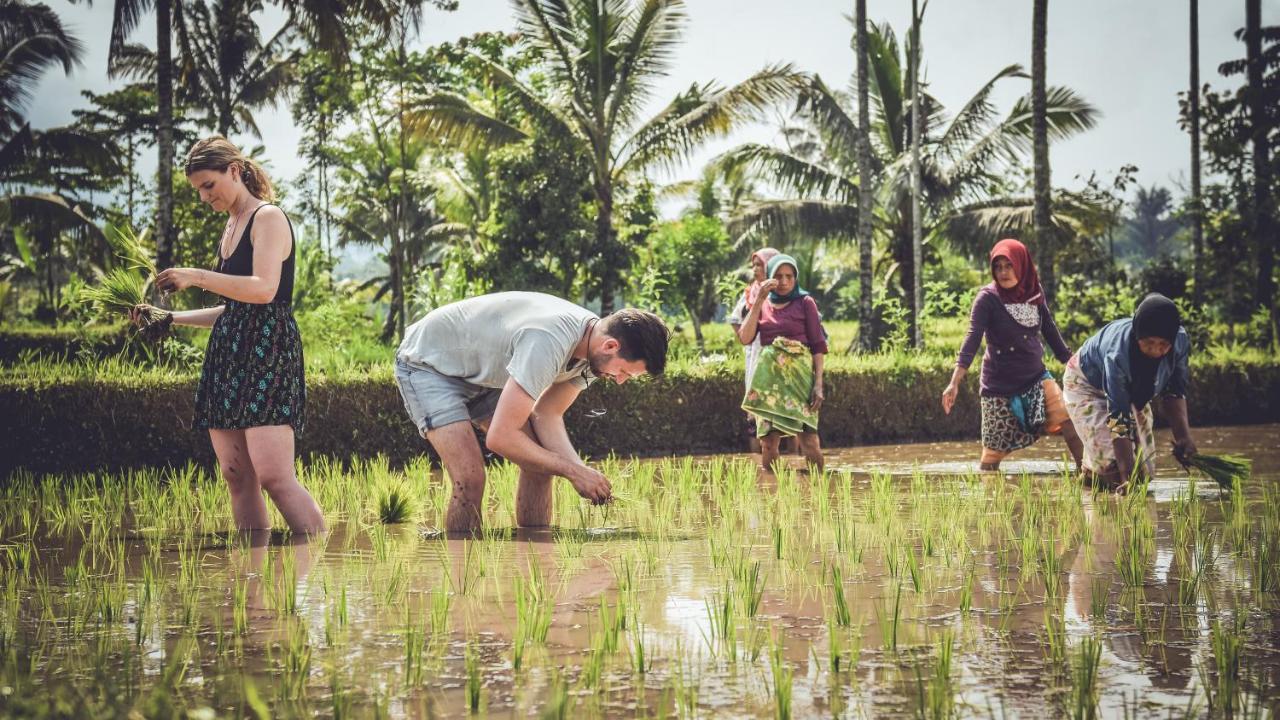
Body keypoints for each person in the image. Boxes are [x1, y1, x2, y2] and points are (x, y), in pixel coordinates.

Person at [131, 136, 324, 533]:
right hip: (229, 354)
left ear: (234, 172)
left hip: (268, 352)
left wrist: (196, 275)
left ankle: (317, 573)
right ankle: (253, 584)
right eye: (198, 190)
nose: (204, 197)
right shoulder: (230, 226)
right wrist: (170, 319)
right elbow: (234, 309)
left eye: (208, 185)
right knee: (237, 476)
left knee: (274, 476)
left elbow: (264, 289)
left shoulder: (267, 218)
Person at [395, 292, 670, 533]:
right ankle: (463, 576)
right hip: (429, 365)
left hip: (488, 374)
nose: (620, 380)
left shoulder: (595, 354)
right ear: (611, 346)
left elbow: (548, 415)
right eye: (623, 371)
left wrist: (580, 470)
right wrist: (572, 471)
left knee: (539, 466)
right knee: (470, 477)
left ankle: (535, 568)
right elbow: (501, 438)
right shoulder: (549, 341)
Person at [941, 239, 1084, 471]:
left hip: (1035, 378)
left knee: (1067, 418)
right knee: (991, 461)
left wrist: (1073, 363)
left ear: (1022, 265)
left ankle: (1087, 473)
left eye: (1009, 265)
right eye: (998, 267)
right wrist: (954, 382)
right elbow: (972, 338)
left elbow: (1050, 330)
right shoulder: (987, 298)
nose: (1003, 272)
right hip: (999, 387)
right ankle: (991, 494)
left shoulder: (1034, 293)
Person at [1062, 293, 1196, 492]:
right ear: (1138, 335)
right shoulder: (1117, 354)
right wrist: (1126, 478)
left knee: (1144, 471)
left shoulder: (1179, 342)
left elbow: (1174, 391)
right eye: (1149, 343)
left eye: (1163, 345)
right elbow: (1119, 417)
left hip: (1134, 391)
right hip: (1085, 384)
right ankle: (1097, 477)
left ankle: (1091, 477)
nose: (1155, 351)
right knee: (1115, 467)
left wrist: (1183, 437)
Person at [737, 254, 826, 472]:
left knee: (810, 442)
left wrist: (818, 384)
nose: (784, 281)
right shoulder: (762, 304)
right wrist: (759, 299)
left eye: (789, 276)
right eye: (778, 276)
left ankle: (820, 488)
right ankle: (776, 492)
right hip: (769, 385)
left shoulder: (806, 303)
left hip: (799, 383)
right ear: (769, 278)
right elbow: (745, 337)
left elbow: (817, 345)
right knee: (768, 444)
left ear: (796, 279)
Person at [728, 247, 779, 451]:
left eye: (761, 265)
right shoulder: (751, 292)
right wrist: (748, 335)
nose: (756, 269)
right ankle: (759, 465)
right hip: (755, 355)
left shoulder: (785, 291)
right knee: (755, 417)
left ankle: (793, 460)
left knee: (788, 418)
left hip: (781, 358)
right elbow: (735, 319)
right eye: (754, 265)